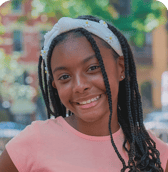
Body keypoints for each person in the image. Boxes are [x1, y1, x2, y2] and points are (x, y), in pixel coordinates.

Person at [0, 15, 168, 172]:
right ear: (55, 86)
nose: (80, 86)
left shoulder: (154, 152)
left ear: (121, 68)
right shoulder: (32, 142)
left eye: (93, 68)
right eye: (64, 77)